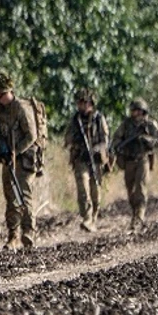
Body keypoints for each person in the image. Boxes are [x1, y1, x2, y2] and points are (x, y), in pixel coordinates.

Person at [0, 72, 39, 249]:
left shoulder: (21, 108)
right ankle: (13, 235)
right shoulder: (0, 110)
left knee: (23, 194)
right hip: (8, 158)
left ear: (1, 91)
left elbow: (32, 135)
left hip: (25, 159)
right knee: (10, 196)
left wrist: (16, 151)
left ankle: (29, 232)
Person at [110, 99, 158, 229]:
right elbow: (116, 138)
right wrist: (118, 146)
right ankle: (135, 213)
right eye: (133, 110)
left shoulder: (150, 124)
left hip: (143, 159)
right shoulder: (126, 124)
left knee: (141, 188)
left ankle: (139, 217)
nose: (135, 113)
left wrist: (146, 140)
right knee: (130, 191)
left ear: (143, 111)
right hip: (129, 160)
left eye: (138, 110)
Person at [63, 88, 109, 231]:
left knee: (95, 190)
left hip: (95, 159)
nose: (81, 105)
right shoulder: (75, 120)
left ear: (91, 103)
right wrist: (75, 141)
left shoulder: (98, 119)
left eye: (84, 102)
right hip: (80, 158)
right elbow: (67, 139)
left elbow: (106, 140)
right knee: (83, 189)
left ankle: (93, 217)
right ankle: (87, 217)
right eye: (79, 102)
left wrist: (97, 149)